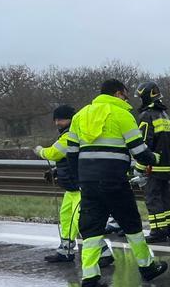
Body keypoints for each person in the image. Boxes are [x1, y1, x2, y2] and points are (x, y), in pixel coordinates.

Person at [66, 79, 168, 287]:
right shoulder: (122, 115)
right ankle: (147, 267)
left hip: (89, 183)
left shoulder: (80, 116)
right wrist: (156, 158)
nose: (127, 99)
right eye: (125, 94)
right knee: (131, 224)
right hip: (114, 181)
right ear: (119, 93)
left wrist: (81, 179)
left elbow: (71, 153)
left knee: (91, 230)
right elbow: (139, 151)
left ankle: (90, 280)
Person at [34, 105, 113, 266]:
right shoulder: (68, 134)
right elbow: (69, 160)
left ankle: (104, 253)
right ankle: (65, 250)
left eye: (61, 119)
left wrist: (40, 151)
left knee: (82, 222)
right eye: (56, 120)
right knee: (66, 218)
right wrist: (57, 171)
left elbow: (55, 153)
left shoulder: (71, 134)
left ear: (71, 119)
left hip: (80, 188)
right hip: (71, 188)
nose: (57, 123)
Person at [134, 81, 170, 243]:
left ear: (145, 97)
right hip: (166, 165)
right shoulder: (164, 115)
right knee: (165, 197)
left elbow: (144, 144)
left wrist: (139, 168)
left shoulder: (146, 116)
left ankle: (158, 231)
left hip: (153, 166)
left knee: (153, 199)